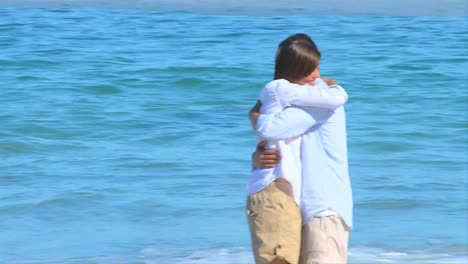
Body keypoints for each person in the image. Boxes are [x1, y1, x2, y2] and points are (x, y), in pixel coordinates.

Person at [246, 34, 348, 264]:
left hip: (324, 207)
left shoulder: (321, 101)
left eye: (318, 67)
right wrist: (257, 159)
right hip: (301, 206)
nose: (317, 75)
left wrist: (253, 114)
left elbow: (269, 128)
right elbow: (278, 143)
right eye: (312, 68)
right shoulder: (293, 98)